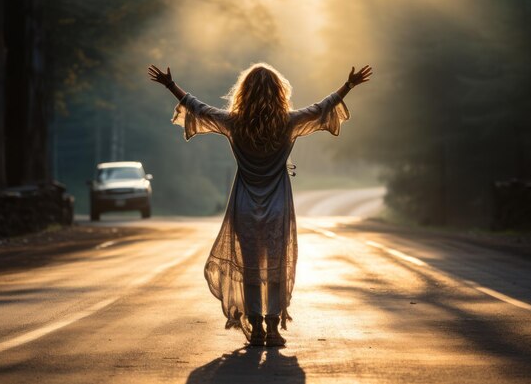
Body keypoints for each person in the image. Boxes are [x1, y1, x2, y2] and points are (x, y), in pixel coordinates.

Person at [148, 62, 372, 346]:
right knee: (277, 266)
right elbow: (323, 107)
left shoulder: (233, 122)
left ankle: (255, 327)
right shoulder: (289, 122)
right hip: (277, 203)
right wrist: (349, 85)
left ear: (244, 93)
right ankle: (274, 327)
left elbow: (198, 108)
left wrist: (170, 85)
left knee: (250, 266)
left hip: (244, 203)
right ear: (279, 92)